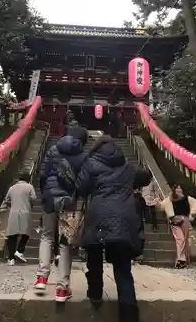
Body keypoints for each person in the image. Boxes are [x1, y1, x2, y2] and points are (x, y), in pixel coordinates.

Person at [75, 135, 151, 322]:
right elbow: (144, 177)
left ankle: (95, 294)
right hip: (124, 216)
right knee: (123, 267)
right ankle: (129, 316)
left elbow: (81, 188)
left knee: (94, 257)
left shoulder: (90, 163)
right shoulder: (126, 166)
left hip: (98, 214)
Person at [34, 126, 88, 302]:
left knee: (47, 236)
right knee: (65, 243)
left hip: (50, 198)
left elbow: (42, 174)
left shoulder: (53, 149)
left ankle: (42, 278)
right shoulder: (83, 156)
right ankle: (62, 290)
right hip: (69, 202)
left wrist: (46, 192)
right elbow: (83, 182)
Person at [158, 183, 196, 268]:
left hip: (185, 220)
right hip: (174, 221)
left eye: (180, 188)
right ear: (174, 190)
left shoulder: (187, 198)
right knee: (180, 239)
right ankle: (180, 259)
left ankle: (183, 260)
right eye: (177, 188)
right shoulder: (170, 199)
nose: (178, 190)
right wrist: (157, 203)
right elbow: (161, 206)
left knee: (185, 239)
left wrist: (192, 213)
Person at [0, 171, 36, 265]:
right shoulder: (30, 187)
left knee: (12, 235)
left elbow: (7, 199)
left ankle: (11, 258)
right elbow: (33, 199)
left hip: (14, 212)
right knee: (26, 233)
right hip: (25, 212)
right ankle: (20, 251)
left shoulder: (12, 188)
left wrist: (10, 204)